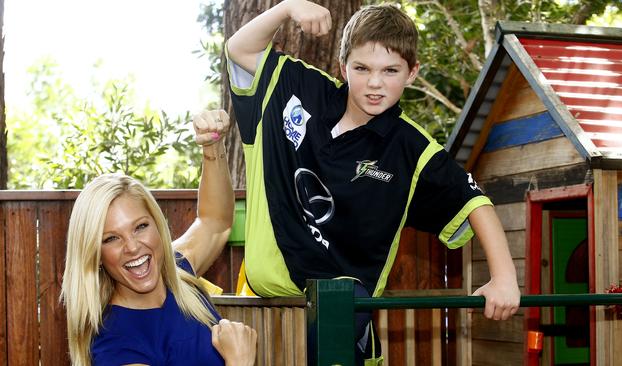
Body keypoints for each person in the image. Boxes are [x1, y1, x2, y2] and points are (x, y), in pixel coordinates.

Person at [225, 1, 520, 363]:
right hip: (264, 310)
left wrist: (504, 278)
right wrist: (286, 7)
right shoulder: (296, 87)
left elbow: (475, 201)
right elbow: (239, 48)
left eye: (390, 70)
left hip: (340, 320)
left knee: (341, 311)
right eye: (362, 68)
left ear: (412, 72)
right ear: (342, 66)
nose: (375, 83)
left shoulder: (413, 150)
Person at [60, 110, 257, 366]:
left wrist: (212, 145)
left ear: (157, 225)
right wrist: (240, 362)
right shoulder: (117, 344)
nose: (132, 247)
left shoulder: (177, 272)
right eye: (111, 239)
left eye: (140, 226)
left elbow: (215, 221)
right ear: (95, 255)